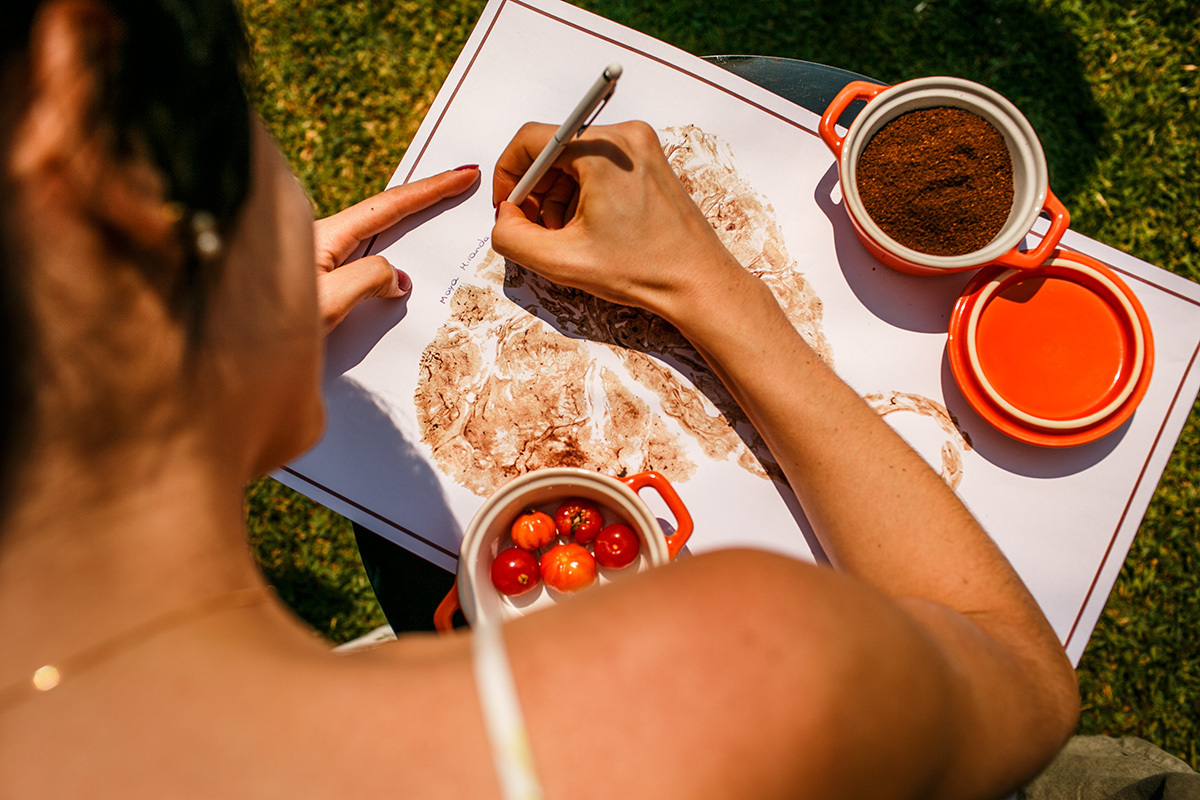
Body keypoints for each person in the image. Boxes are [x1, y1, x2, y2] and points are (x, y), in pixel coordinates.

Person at [0, 0, 1082, 797]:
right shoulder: (725, 680)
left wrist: (178, 383)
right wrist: (703, 286)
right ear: (91, 145)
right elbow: (1022, 680)